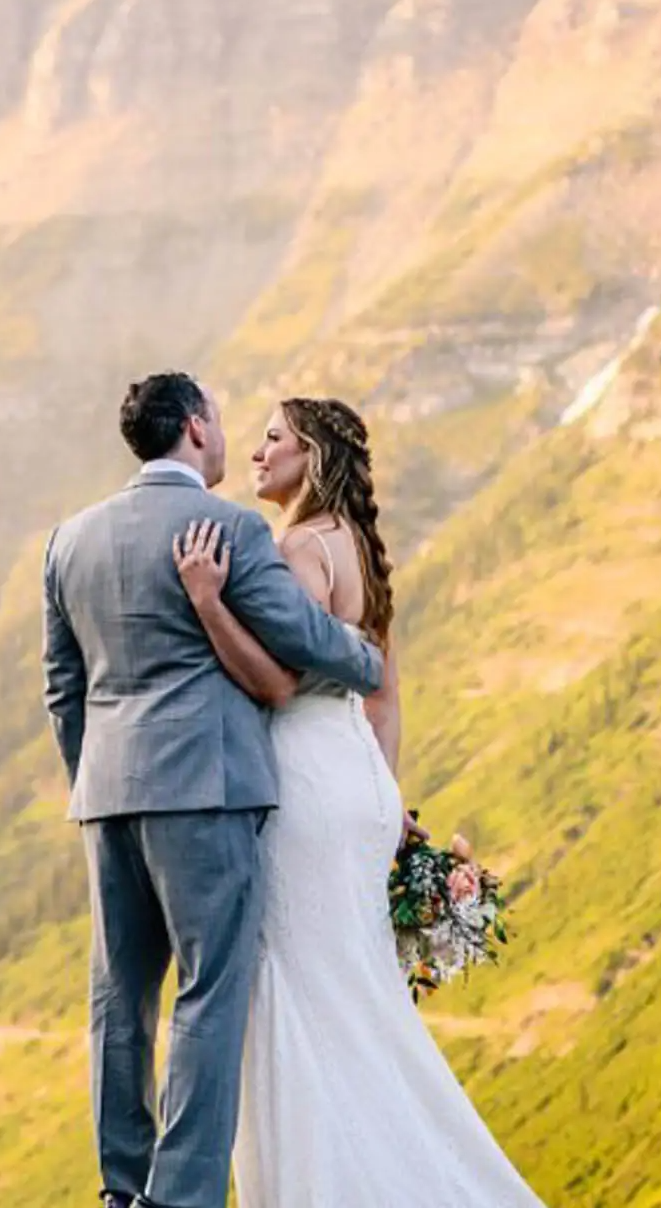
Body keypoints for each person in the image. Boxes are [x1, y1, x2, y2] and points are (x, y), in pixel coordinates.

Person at [174, 395, 547, 1208]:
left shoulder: (299, 549)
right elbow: (383, 699)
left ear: (313, 456)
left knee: (297, 987)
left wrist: (207, 603)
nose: (260, 453)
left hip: (303, 780)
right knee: (357, 989)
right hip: (356, 781)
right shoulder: (364, 556)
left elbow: (276, 685)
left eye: (275, 440)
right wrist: (384, 802)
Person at [42, 372, 384, 1208]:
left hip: (107, 797)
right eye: (226, 425)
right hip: (207, 792)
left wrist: (97, 775)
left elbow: (64, 687)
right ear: (195, 428)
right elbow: (301, 633)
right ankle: (183, 1196)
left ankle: (122, 1189)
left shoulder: (69, 540)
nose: (235, 442)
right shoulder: (226, 528)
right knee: (209, 987)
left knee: (120, 1000)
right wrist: (365, 660)